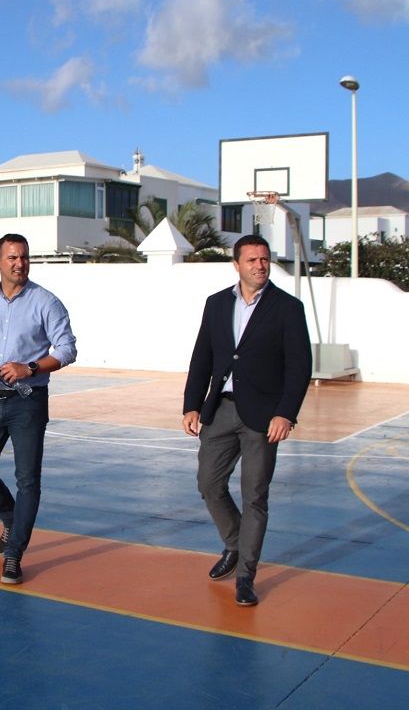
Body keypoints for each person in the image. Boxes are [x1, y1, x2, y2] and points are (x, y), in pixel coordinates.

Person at [181, 234, 311, 606]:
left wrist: (286, 413)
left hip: (263, 416)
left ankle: (246, 576)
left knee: (255, 495)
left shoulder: (288, 307)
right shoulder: (217, 304)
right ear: (236, 265)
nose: (259, 265)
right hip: (220, 409)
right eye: (251, 259)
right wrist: (191, 405)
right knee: (209, 484)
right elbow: (202, 357)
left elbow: (299, 367)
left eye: (264, 259)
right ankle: (235, 544)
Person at [0, 233, 77, 585]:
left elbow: (67, 349)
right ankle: (10, 518)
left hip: (28, 401)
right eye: (11, 258)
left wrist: (31, 367)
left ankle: (14, 554)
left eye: (24, 257)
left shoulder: (47, 302)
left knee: (28, 481)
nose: (19, 263)